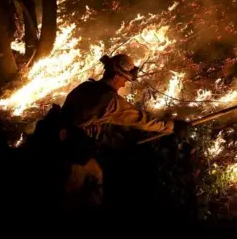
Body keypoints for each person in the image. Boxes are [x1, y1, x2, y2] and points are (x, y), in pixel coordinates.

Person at [56, 53, 190, 209]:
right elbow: (141, 120)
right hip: (73, 158)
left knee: (87, 181)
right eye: (125, 79)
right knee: (79, 198)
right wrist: (172, 127)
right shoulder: (110, 101)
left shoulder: (85, 87)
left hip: (57, 147)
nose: (123, 85)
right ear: (115, 77)